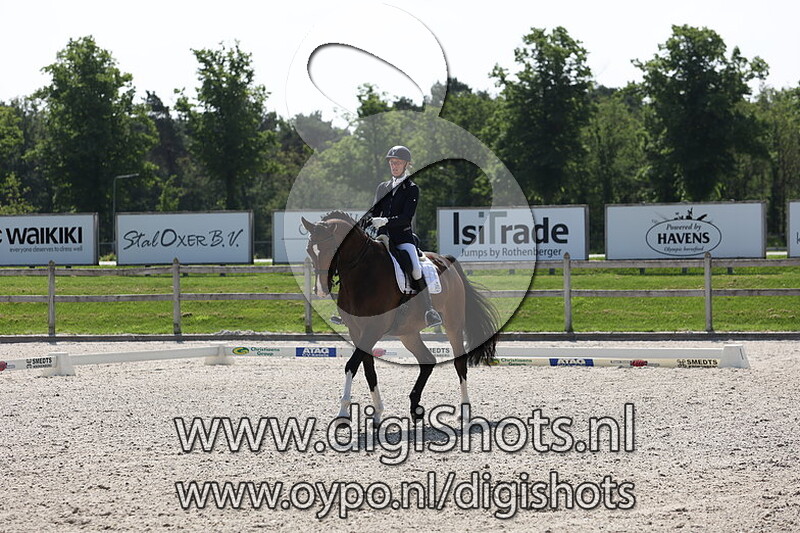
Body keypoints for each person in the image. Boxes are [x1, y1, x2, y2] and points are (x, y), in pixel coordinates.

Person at [330, 145, 442, 328]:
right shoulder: (383, 187)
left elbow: (406, 218)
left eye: (398, 162)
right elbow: (374, 211)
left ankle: (429, 311)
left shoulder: (411, 189)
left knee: (415, 268)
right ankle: (347, 310)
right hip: (381, 238)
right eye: (392, 162)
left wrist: (386, 221)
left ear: (406, 164)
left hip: (403, 238)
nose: (394, 166)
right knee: (358, 264)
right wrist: (363, 223)